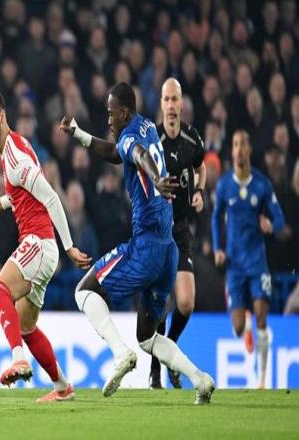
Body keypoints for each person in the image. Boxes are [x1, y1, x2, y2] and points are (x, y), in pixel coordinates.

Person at [61, 82, 215, 405]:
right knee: (147, 337)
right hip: (168, 252)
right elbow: (117, 153)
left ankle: (120, 354)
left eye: (111, 113)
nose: (109, 120)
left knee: (84, 292)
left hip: (145, 249)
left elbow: (138, 154)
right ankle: (200, 379)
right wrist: (79, 134)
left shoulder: (131, 137)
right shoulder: (146, 126)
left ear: (125, 111)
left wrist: (156, 178)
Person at [0, 89, 91, 402]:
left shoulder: (13, 156)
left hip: (39, 243)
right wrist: (3, 202)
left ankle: (18, 359)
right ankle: (62, 387)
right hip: (41, 247)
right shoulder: (15, 146)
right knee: (26, 326)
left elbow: (50, 196)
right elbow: (23, 192)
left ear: (2, 117)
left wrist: (69, 247)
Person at [212, 130, 285, 389]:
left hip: (257, 262)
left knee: (262, 316)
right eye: (235, 145)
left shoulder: (262, 185)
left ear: (250, 150)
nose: (239, 149)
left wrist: (270, 225)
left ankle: (262, 380)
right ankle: (246, 330)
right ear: (232, 151)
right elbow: (215, 218)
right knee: (237, 326)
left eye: (243, 144)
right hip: (234, 265)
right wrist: (218, 249)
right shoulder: (224, 185)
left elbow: (280, 218)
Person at [149, 78, 206, 389]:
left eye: (175, 99)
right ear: (161, 103)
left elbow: (202, 166)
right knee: (160, 304)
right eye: (166, 99)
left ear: (182, 104)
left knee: (186, 303)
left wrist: (199, 190)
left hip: (181, 230)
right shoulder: (153, 140)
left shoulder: (191, 138)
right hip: (158, 231)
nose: (171, 105)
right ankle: (156, 370)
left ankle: (170, 349)